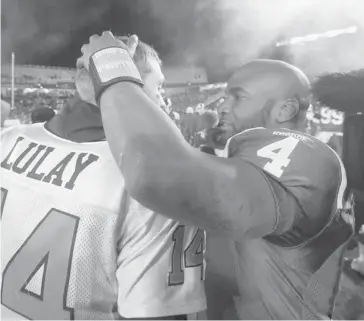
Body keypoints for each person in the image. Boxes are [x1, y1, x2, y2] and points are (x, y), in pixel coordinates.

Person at [76, 32, 354, 319]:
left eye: (239, 97)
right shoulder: (252, 160)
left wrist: (112, 72)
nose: (222, 105)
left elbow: (158, 175)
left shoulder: (305, 155)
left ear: (285, 110)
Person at [0, 38, 206, 320]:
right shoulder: (151, 176)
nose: (162, 99)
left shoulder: (8, 139)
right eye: (157, 86)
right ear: (123, 83)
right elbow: (156, 314)